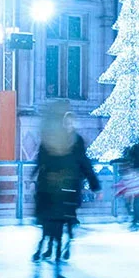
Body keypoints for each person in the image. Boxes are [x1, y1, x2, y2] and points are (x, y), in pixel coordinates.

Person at [31, 110, 101, 268]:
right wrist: (35, 176)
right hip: (53, 188)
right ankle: (48, 247)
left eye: (71, 123)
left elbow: (84, 163)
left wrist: (94, 185)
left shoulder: (77, 141)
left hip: (69, 188)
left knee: (64, 220)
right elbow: (43, 159)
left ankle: (60, 246)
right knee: (50, 219)